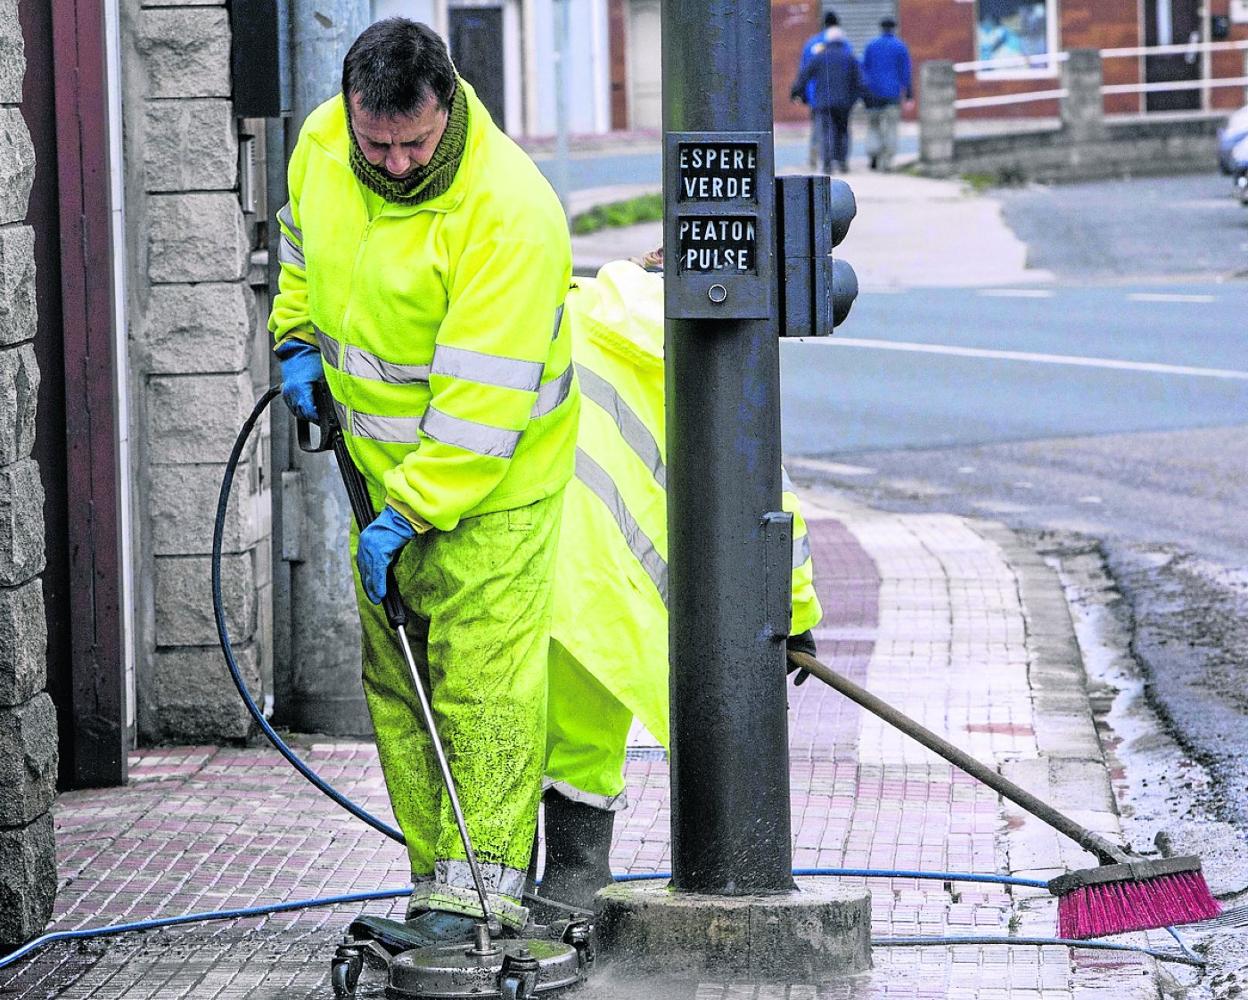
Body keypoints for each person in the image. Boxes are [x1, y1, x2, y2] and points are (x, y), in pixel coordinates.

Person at [269, 18, 579, 945]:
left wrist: (407, 513)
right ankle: (434, 885)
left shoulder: (508, 213)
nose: (397, 164)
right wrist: (295, 336)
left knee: (480, 692)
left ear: (448, 104)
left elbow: (481, 411)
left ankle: (482, 896)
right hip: (379, 482)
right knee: (400, 686)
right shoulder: (324, 142)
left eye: (414, 143)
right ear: (349, 112)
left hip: (493, 493)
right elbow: (301, 244)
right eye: (378, 145)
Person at [533, 255, 824, 917]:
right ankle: (572, 889)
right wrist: (796, 616)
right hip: (609, 595)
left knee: (506, 731)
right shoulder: (715, 349)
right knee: (583, 744)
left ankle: (496, 896)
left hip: (519, 560)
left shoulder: (563, 308)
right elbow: (768, 506)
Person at [790, 15, 863, 174]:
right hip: (844, 101)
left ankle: (826, 163)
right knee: (842, 131)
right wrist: (856, 97)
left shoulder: (816, 50)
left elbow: (804, 73)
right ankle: (842, 162)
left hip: (821, 100)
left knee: (824, 131)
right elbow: (858, 79)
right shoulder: (848, 53)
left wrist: (796, 93)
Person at [861, 17, 913, 172]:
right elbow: (906, 73)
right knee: (891, 127)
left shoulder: (871, 45)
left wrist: (863, 91)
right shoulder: (900, 47)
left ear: (881, 28)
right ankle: (887, 161)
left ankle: (873, 155)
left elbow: (863, 69)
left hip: (873, 94)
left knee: (873, 126)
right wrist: (909, 95)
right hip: (892, 94)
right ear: (894, 28)